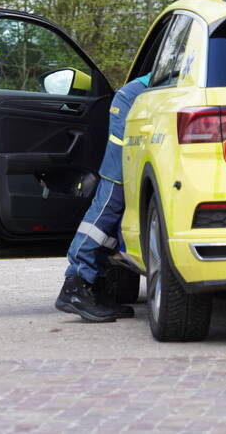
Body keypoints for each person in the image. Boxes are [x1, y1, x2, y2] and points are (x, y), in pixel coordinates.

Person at [56, 73, 151, 323]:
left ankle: (95, 285)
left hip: (142, 102)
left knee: (122, 207)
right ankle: (76, 285)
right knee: (112, 198)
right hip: (133, 102)